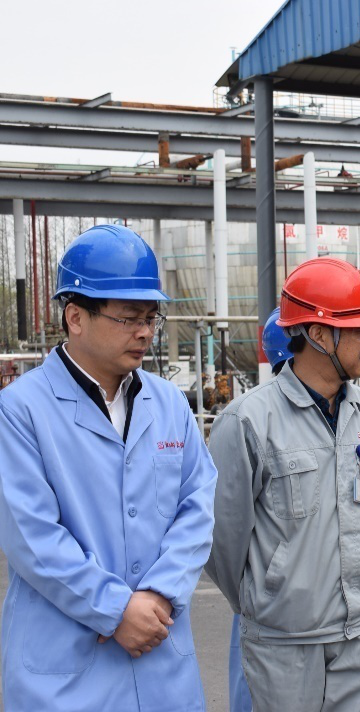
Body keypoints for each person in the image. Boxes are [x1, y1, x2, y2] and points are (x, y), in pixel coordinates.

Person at [0, 224, 217, 711]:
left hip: (161, 663)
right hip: (66, 675)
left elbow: (198, 504)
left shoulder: (169, 403)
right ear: (75, 317)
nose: (145, 332)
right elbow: (32, 536)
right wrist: (116, 609)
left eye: (151, 318)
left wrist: (159, 594)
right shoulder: (20, 410)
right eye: (128, 318)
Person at [206, 258, 360, 712]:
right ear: (317, 335)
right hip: (285, 645)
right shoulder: (248, 421)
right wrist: (271, 599)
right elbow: (222, 542)